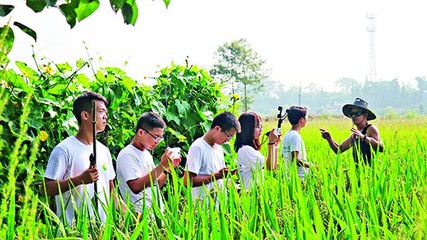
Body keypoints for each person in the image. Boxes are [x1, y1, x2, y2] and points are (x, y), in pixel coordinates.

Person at [43, 91, 120, 225]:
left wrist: (132, 217)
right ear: (85, 115)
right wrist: (79, 180)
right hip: (74, 231)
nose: (105, 116)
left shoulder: (104, 151)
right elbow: (46, 188)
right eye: (101, 111)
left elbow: (111, 191)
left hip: (102, 231)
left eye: (105, 112)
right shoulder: (64, 149)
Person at [116, 112, 180, 214]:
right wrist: (162, 165)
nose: (157, 141)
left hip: (156, 214)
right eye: (155, 136)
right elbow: (136, 187)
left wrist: (168, 168)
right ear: (141, 132)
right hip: (140, 217)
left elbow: (156, 184)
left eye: (160, 138)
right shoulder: (127, 154)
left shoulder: (146, 154)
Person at [183, 112, 241, 202]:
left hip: (218, 207)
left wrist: (239, 190)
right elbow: (187, 182)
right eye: (228, 136)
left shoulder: (219, 148)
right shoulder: (198, 147)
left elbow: (222, 178)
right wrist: (216, 176)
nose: (227, 140)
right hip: (202, 208)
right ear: (217, 128)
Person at [320, 98, 384, 165]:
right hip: (358, 171)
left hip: (370, 170)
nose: (354, 116)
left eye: (357, 113)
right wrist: (329, 139)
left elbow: (381, 147)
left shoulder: (371, 129)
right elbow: (339, 150)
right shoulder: (355, 134)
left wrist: (363, 137)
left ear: (365, 115)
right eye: (352, 114)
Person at [234, 112, 281, 190]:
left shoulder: (250, 150)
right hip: (250, 194)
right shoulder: (246, 150)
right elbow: (268, 166)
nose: (261, 129)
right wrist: (271, 143)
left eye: (261, 126)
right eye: (258, 127)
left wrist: (274, 145)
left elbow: (273, 167)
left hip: (255, 192)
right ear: (248, 128)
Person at [281, 106, 312, 180]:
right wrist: (311, 166)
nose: (307, 119)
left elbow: (283, 156)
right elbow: (295, 159)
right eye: (306, 117)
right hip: (299, 177)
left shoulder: (286, 135)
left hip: (289, 176)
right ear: (301, 120)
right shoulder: (296, 136)